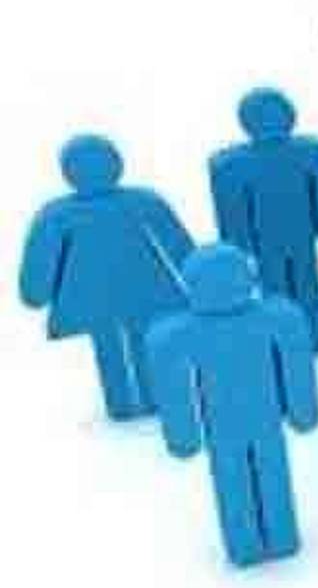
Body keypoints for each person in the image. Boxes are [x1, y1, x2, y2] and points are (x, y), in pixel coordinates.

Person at [147, 244, 318, 568]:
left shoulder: (182, 334)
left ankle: (249, 542)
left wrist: (184, 436)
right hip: (262, 421)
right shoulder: (275, 319)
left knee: (234, 478)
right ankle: (277, 536)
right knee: (268, 470)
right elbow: (296, 365)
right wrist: (302, 411)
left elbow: (174, 389)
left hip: (225, 427)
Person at [19, 134, 193, 420]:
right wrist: (204, 279)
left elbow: (40, 260)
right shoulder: (144, 201)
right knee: (130, 341)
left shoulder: (56, 215)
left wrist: (35, 293)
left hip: (100, 298)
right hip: (142, 290)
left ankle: (125, 402)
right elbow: (179, 246)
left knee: (111, 345)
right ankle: (144, 400)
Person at [209, 87, 318, 351]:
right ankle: (309, 338)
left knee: (278, 290)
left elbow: (232, 211)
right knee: (303, 284)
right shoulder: (314, 152)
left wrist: (239, 247)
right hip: (296, 236)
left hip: (267, 239)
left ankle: (289, 342)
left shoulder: (229, 164)